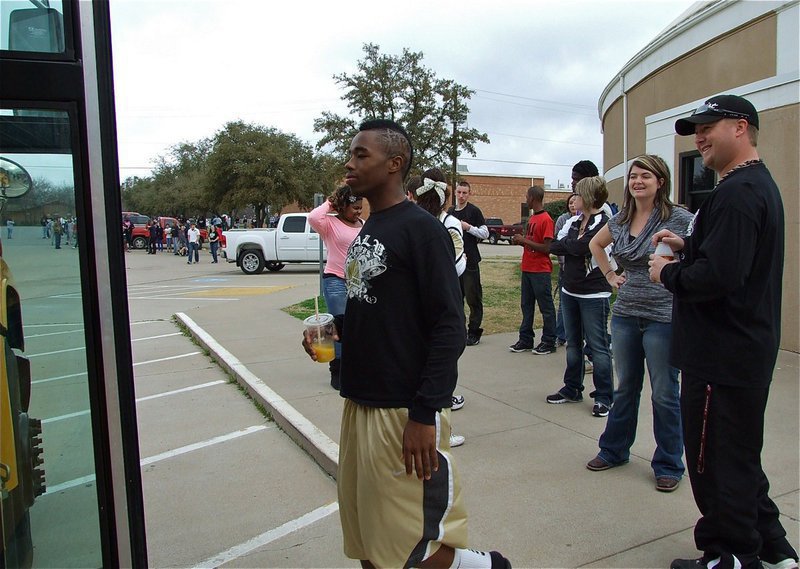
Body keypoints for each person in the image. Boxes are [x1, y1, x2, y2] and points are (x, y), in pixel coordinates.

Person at [302, 119, 511, 569]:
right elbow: (376, 309)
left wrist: (424, 414)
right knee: (369, 541)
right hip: (359, 403)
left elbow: (449, 326)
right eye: (350, 153)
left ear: (394, 164)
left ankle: (486, 567)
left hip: (402, 412)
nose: (349, 163)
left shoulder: (422, 230)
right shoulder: (369, 229)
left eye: (361, 155)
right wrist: (339, 332)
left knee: (413, 551)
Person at [647, 95, 798, 569]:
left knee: (716, 464)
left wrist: (665, 273)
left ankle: (730, 554)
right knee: (739, 459)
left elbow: (719, 278)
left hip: (721, 357)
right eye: (696, 129)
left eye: (709, 126)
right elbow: (732, 258)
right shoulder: (753, 186)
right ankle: (773, 551)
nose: (700, 137)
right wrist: (689, 244)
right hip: (740, 353)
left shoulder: (736, 193)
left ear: (741, 127)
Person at [585, 155, 693, 492]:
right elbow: (595, 244)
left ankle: (669, 464)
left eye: (645, 176)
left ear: (660, 181)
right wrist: (610, 275)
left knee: (664, 393)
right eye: (633, 176)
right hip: (627, 315)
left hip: (664, 317)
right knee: (626, 386)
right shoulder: (620, 219)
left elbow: (700, 253)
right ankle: (614, 450)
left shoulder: (679, 217)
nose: (637, 182)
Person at [528, 176, 614, 417]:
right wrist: (573, 244)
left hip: (594, 293)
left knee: (598, 347)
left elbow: (582, 247)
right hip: (570, 290)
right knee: (573, 344)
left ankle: (605, 396)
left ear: (587, 197)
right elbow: (555, 245)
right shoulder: (574, 222)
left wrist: (572, 244)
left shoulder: (604, 223)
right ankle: (572, 387)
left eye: (577, 194)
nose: (573, 199)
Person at [408, 168, 467, 449]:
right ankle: (438, 428)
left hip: (432, 302)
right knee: (434, 367)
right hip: (434, 302)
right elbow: (456, 264)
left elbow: (454, 263)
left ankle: (440, 429)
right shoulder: (433, 222)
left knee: (436, 366)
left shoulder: (441, 223)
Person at [307, 185, 363, 390]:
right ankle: (337, 371)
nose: (358, 211)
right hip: (336, 280)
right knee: (338, 327)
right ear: (342, 206)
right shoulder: (330, 223)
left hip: (358, 283)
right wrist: (334, 200)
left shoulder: (363, 224)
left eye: (360, 207)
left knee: (356, 326)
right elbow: (313, 217)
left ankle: (354, 368)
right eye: (354, 207)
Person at [509, 185, 557, 355]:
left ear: (533, 198)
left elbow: (547, 247)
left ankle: (549, 341)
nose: (526, 200)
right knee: (526, 305)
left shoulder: (546, 219)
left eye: (527, 197)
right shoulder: (533, 219)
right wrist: (521, 241)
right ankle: (526, 339)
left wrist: (525, 241)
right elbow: (531, 242)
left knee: (546, 307)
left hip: (540, 270)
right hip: (528, 268)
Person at [447, 180, 489, 346]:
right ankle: (459, 331)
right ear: (455, 193)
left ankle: (474, 332)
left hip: (470, 262)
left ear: (469, 193)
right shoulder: (450, 212)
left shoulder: (474, 211)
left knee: (473, 297)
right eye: (459, 192)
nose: (461, 196)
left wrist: (468, 227)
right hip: (454, 262)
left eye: (465, 192)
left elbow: (485, 233)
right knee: (456, 298)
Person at [554, 194, 580, 346]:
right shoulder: (563, 220)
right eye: (570, 202)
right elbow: (557, 244)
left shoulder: (590, 219)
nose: (572, 205)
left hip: (580, 269)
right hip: (565, 267)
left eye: (574, 202)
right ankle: (561, 335)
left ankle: (578, 337)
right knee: (563, 304)